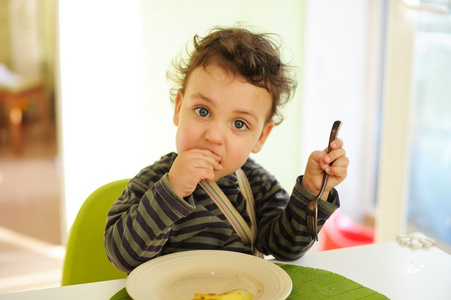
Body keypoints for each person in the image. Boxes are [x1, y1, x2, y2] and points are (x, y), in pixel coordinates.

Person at [104, 26, 349, 273]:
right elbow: (123, 257)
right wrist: (172, 191)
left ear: (260, 137)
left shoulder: (257, 185)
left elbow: (286, 247)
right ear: (179, 108)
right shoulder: (152, 182)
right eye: (202, 111)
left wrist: (312, 191)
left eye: (239, 124)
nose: (213, 136)